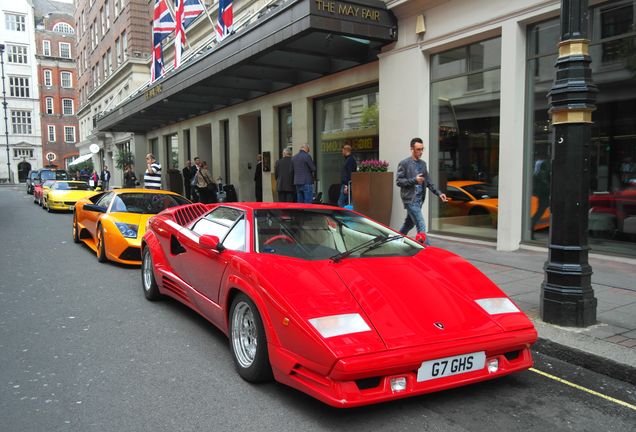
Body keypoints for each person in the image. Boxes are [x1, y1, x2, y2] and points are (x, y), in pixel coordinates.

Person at [396, 138, 448, 245]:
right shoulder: (404, 163)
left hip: (419, 200)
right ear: (412, 149)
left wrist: (439, 193)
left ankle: (394, 241)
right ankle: (427, 249)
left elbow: (428, 181)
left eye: (422, 149)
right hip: (410, 200)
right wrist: (414, 180)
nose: (420, 152)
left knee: (408, 225)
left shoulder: (423, 164)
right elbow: (399, 181)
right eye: (418, 149)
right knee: (421, 225)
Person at [530, 151, 551, 234]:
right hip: (545, 194)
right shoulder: (543, 171)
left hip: (544, 194)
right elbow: (544, 182)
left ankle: (531, 228)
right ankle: (531, 227)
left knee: (540, 212)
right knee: (540, 212)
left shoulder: (538, 171)